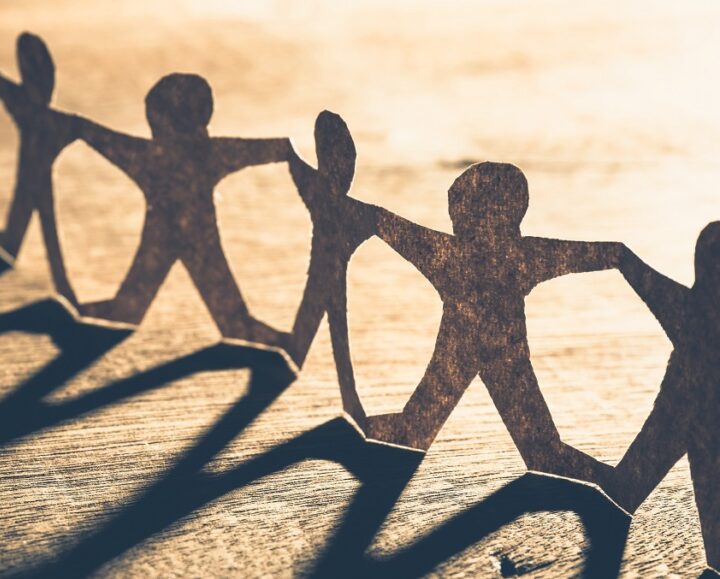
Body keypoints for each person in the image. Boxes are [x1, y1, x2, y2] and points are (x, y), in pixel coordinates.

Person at [367, 162, 624, 482]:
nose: (454, 216)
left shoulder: (453, 254)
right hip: (504, 357)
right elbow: (599, 254)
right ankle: (614, 482)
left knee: (415, 429)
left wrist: (363, 215)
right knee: (541, 451)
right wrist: (622, 258)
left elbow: (388, 225)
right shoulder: (522, 255)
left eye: (459, 208)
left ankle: (613, 482)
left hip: (470, 355)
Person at [75, 73, 291, 345]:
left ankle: (83, 318)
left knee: (131, 307)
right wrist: (294, 156)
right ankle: (272, 340)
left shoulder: (152, 157)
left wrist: (78, 128)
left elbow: (104, 139)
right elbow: (273, 149)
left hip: (167, 237)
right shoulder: (210, 153)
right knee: (227, 315)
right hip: (197, 238)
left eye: (154, 120)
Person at [598, 223, 720, 574]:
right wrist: (623, 258)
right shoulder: (688, 309)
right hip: (701, 421)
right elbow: (633, 269)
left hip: (677, 413)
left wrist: (621, 257)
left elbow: (635, 271)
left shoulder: (687, 308)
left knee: (623, 494)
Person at [283, 110, 379, 429]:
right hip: (326, 275)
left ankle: (291, 366)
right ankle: (348, 400)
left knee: (322, 327)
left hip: (326, 275)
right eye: (339, 162)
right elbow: (289, 156)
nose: (345, 171)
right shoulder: (350, 207)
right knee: (331, 330)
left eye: (347, 162)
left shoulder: (349, 207)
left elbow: (288, 156)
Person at [0, 32, 80, 303]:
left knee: (31, 232)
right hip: (32, 180)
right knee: (38, 233)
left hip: (31, 179)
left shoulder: (24, 105)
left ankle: (62, 287)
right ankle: (63, 288)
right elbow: (89, 131)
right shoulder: (47, 116)